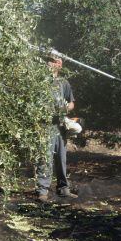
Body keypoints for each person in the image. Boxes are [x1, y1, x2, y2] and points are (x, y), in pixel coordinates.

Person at [37, 54, 76, 201]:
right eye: (49, 60)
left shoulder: (63, 83)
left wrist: (66, 109)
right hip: (45, 125)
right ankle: (43, 191)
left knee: (61, 157)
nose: (49, 63)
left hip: (60, 125)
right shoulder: (41, 81)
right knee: (45, 157)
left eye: (53, 61)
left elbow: (71, 102)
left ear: (59, 65)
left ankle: (63, 188)